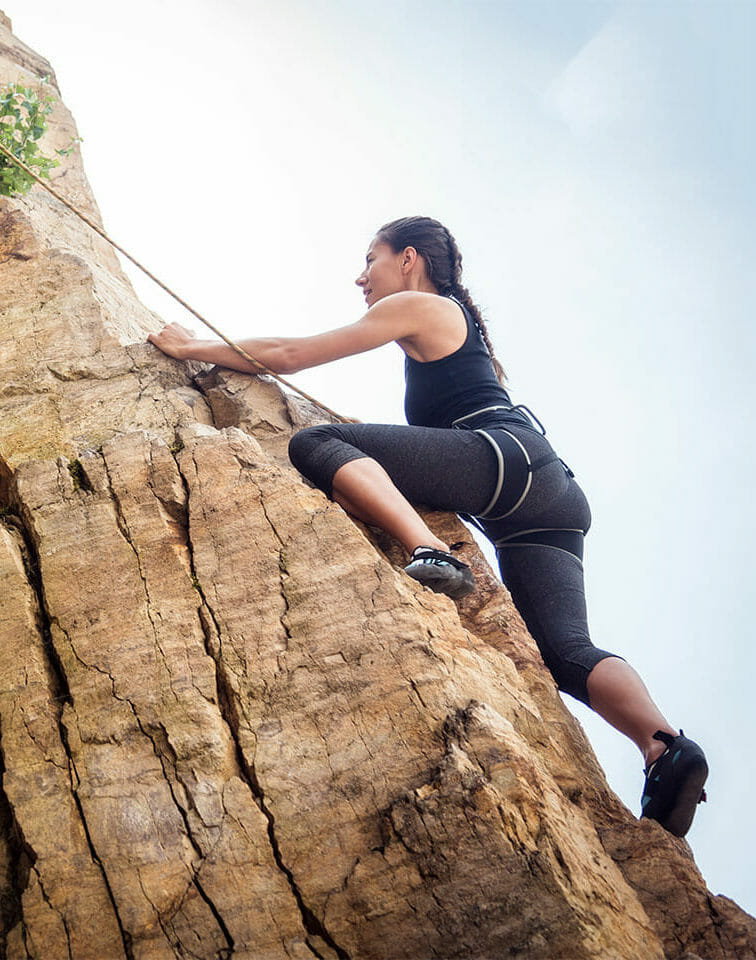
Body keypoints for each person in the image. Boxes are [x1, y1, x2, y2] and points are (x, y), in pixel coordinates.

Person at [147, 215, 707, 839]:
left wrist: (190, 346)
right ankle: (665, 747)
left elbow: (290, 357)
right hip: (545, 494)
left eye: (371, 259)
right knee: (565, 652)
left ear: (409, 259)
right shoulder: (445, 328)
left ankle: (431, 551)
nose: (360, 276)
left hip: (502, 461)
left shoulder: (421, 305)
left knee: (318, 442)